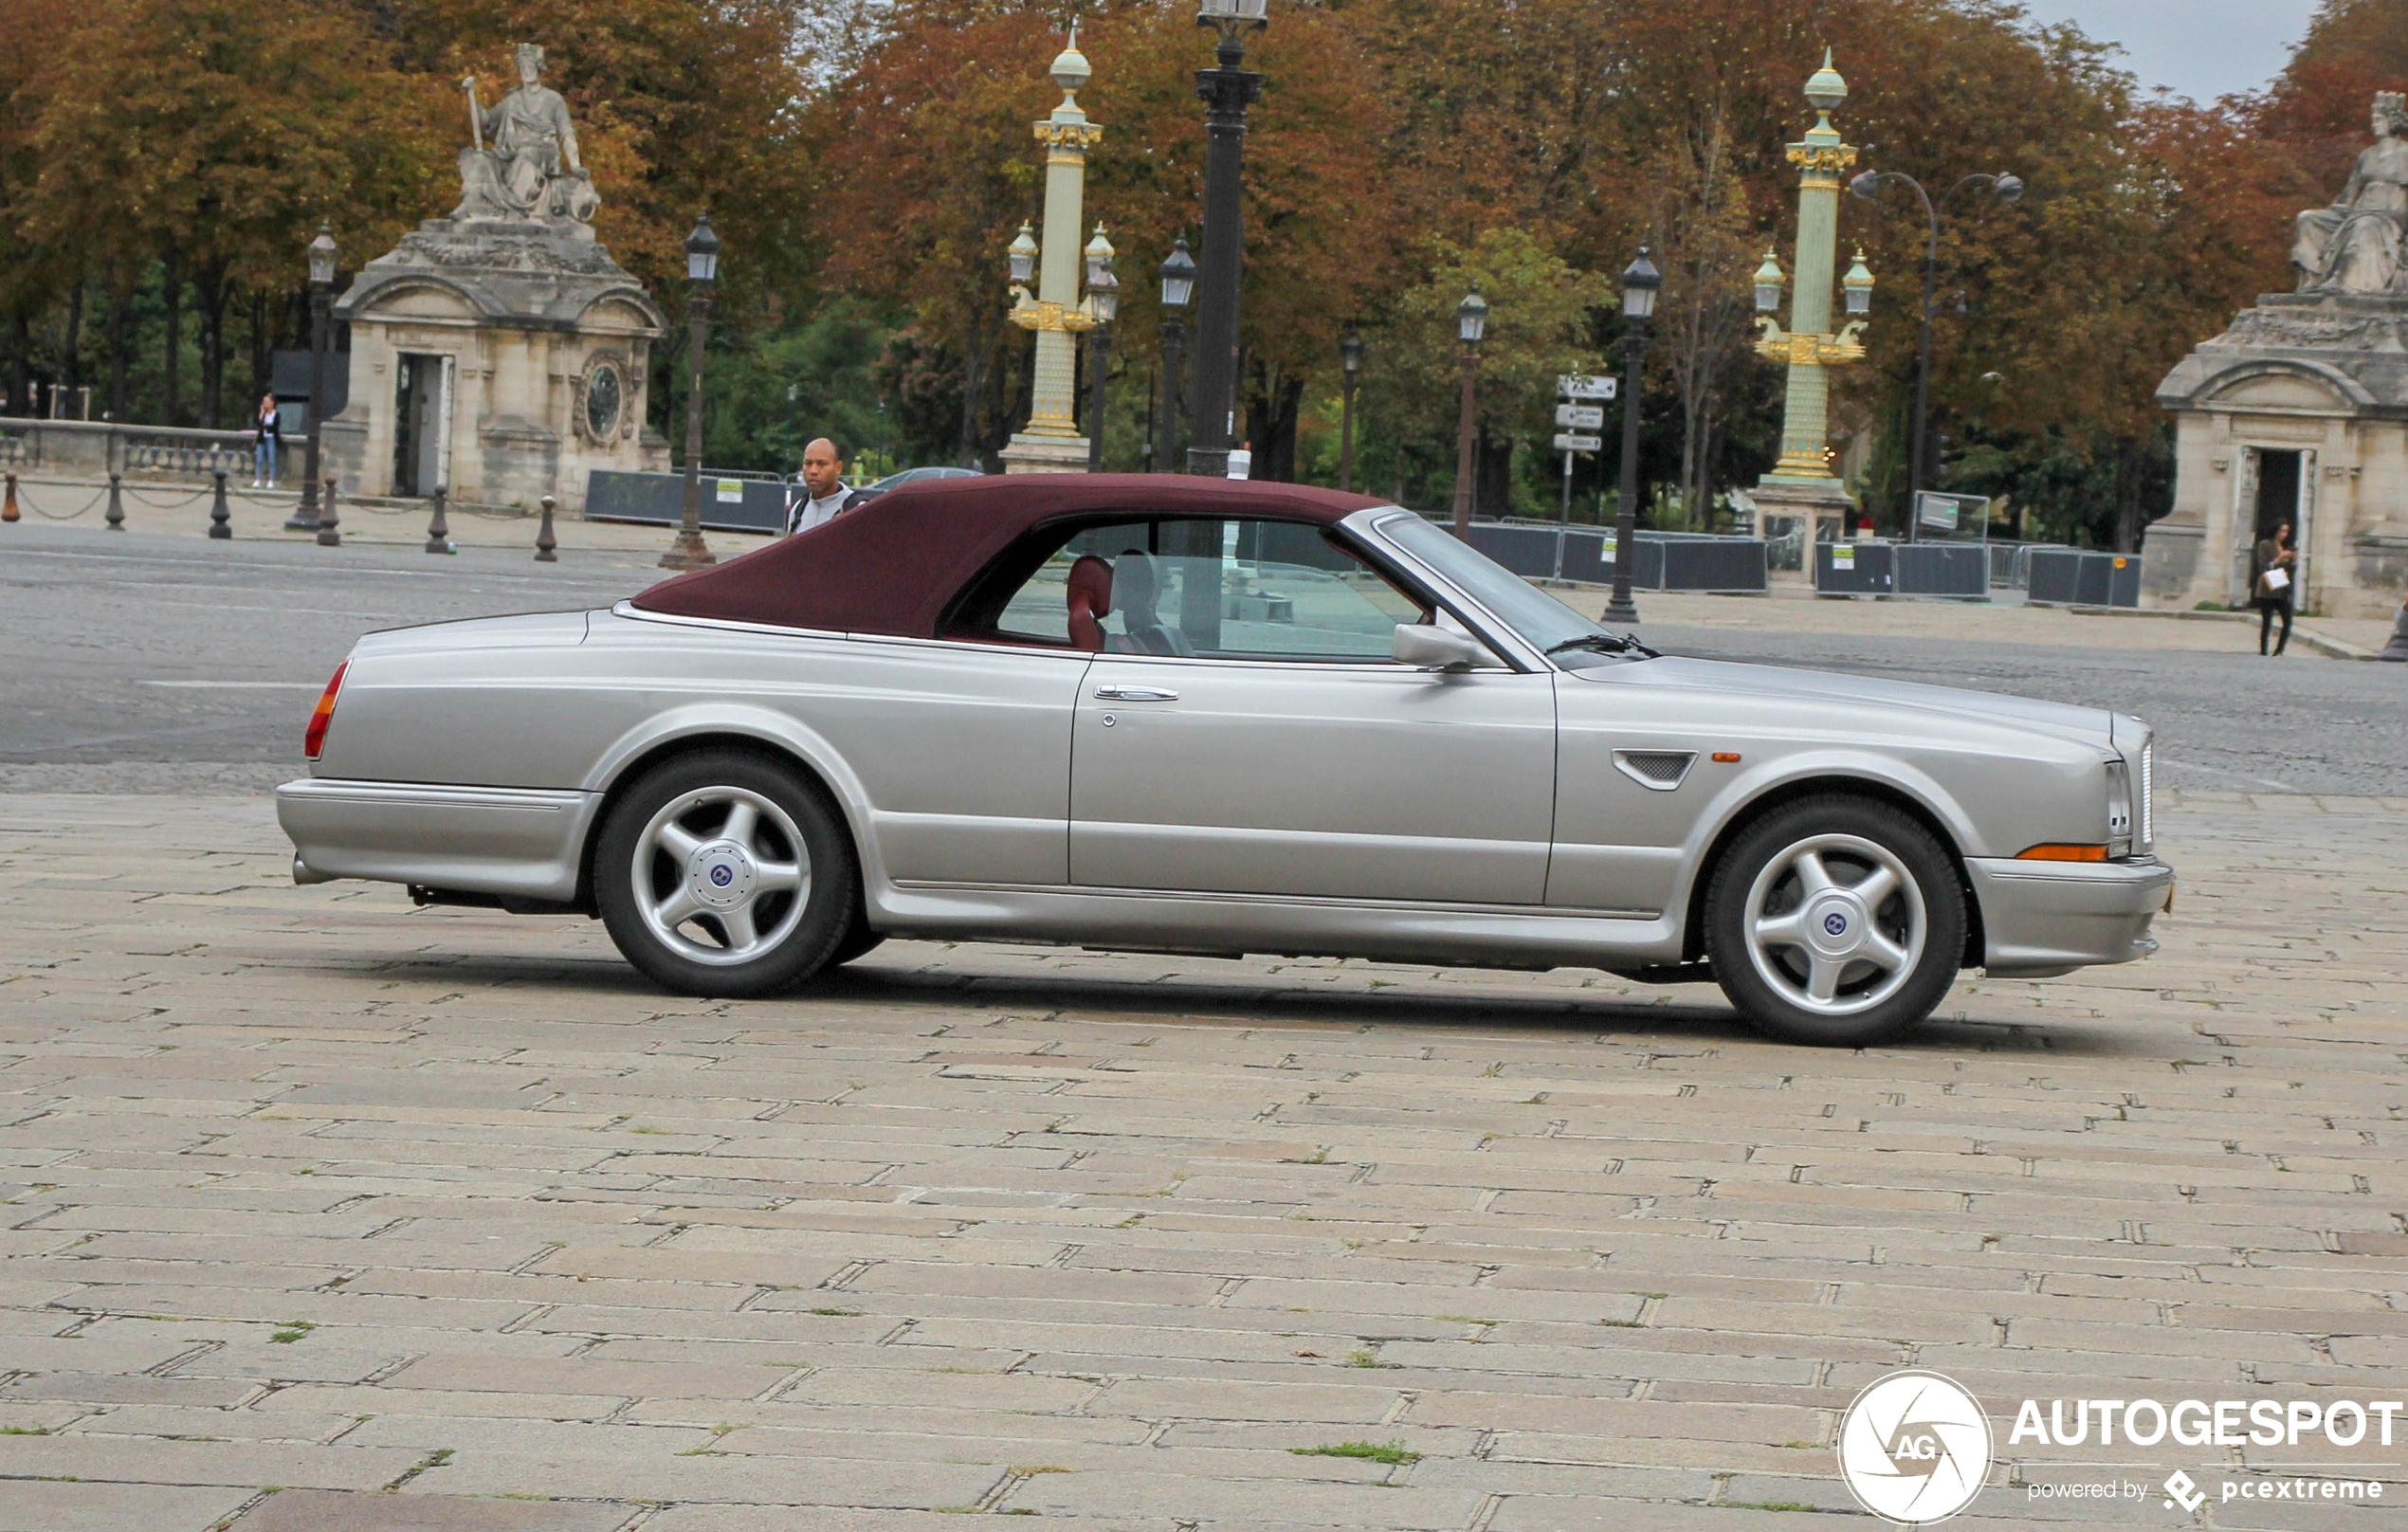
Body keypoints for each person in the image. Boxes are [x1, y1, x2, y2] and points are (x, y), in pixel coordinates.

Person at [785, 438, 867, 535]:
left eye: (821, 464)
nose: (813, 471)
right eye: (808, 463)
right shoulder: (798, 510)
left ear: (838, 468)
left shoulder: (858, 509)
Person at [2253, 520, 2298, 657]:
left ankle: (2279, 650)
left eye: (2286, 531)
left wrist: (2293, 561)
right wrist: (2279, 558)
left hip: (2282, 588)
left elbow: (2290, 571)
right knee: (2267, 621)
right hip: (2268, 588)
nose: (2284, 534)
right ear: (2276, 531)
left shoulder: (2285, 547)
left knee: (2288, 620)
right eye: (2282, 531)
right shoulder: (2265, 545)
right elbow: (2263, 566)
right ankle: (2264, 650)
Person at [251, 394, 281, 487]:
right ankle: (257, 479)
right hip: (262, 438)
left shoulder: (276, 414)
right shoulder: (262, 414)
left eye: (267, 402)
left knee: (272, 459)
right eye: (264, 402)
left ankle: (271, 479)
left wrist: (265, 426)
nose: (265, 404)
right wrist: (262, 413)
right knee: (259, 459)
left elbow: (274, 427)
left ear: (272, 403)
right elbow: (258, 423)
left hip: (271, 438)